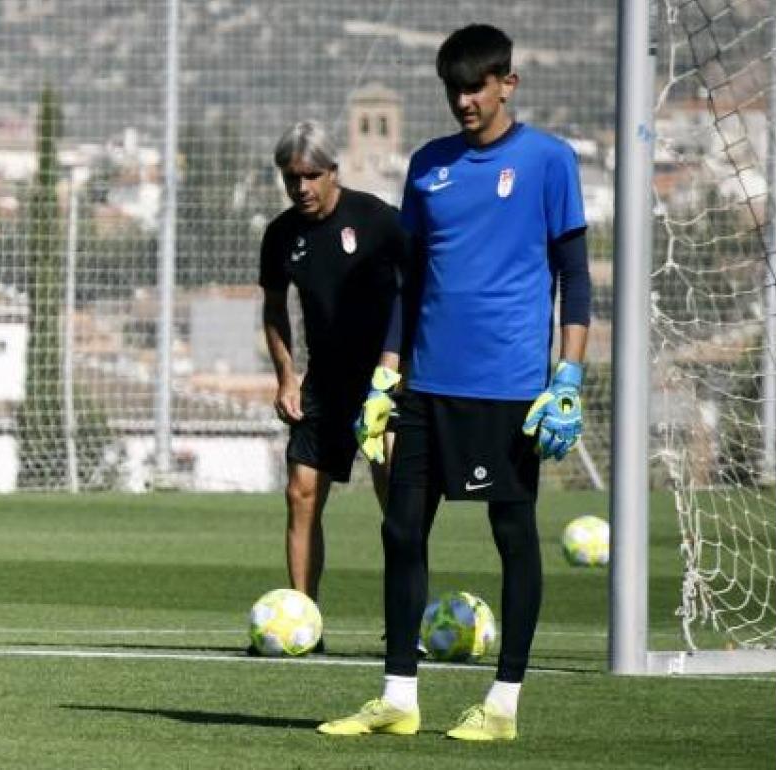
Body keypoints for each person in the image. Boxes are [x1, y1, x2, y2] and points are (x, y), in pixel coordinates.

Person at [317, 23, 591, 740]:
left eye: (475, 86)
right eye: (453, 89)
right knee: (401, 529)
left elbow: (576, 278)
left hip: (504, 388)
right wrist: (384, 381)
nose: (464, 100)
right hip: (423, 387)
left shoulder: (549, 162)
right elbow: (410, 284)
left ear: (508, 83)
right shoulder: (428, 165)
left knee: (512, 531)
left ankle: (503, 706)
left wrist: (568, 376)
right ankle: (398, 698)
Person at [258, 120, 408, 653]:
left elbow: (415, 293)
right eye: (290, 177)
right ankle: (304, 624)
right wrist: (286, 375)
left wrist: (395, 379)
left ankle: (404, 626)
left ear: (332, 171)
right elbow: (275, 308)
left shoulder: (378, 220)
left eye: (310, 175)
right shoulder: (280, 235)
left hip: (385, 384)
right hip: (324, 383)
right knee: (300, 494)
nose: (300, 187)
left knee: (397, 497)